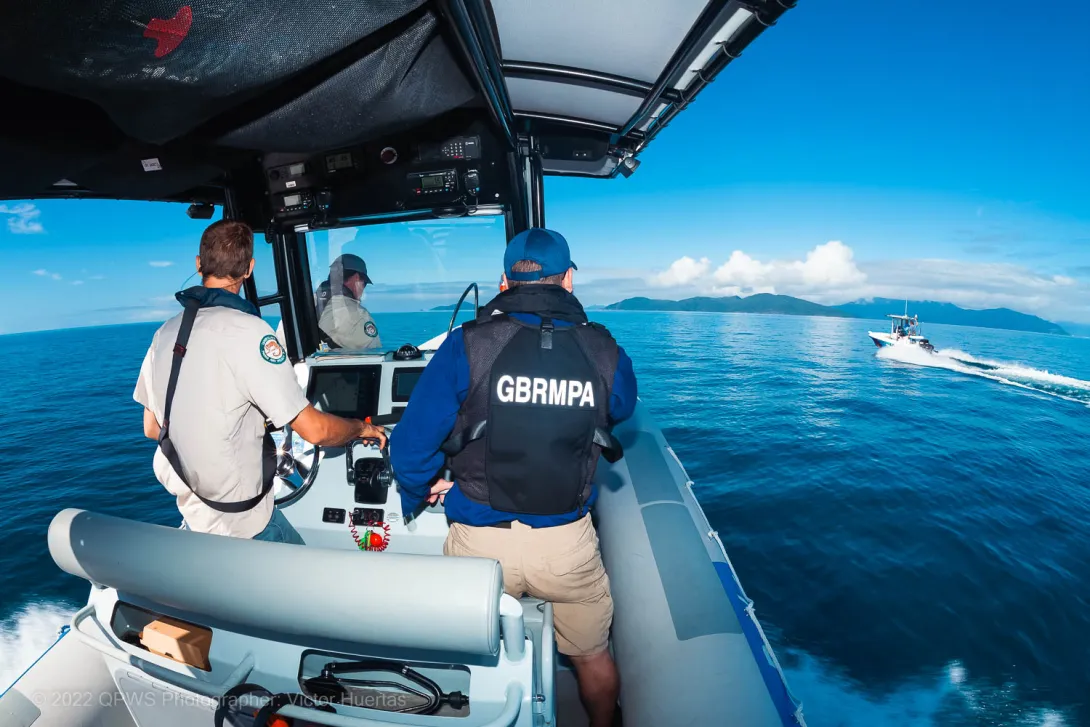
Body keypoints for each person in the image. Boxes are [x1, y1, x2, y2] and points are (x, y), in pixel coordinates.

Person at [390, 228, 637, 727]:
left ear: (504, 282)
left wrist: (422, 491)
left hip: (479, 543)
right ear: (568, 279)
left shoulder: (467, 345)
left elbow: (410, 446)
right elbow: (621, 406)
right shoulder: (605, 350)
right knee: (592, 657)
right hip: (565, 546)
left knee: (460, 659)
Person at [134, 220, 386, 543]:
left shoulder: (165, 334)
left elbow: (152, 428)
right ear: (249, 269)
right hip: (247, 526)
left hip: (193, 517)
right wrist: (362, 429)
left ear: (199, 264)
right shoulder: (252, 334)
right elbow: (316, 431)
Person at [315, 253, 382, 350]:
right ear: (356, 278)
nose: (363, 289)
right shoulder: (360, 315)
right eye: (364, 283)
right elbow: (375, 355)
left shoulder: (304, 305)